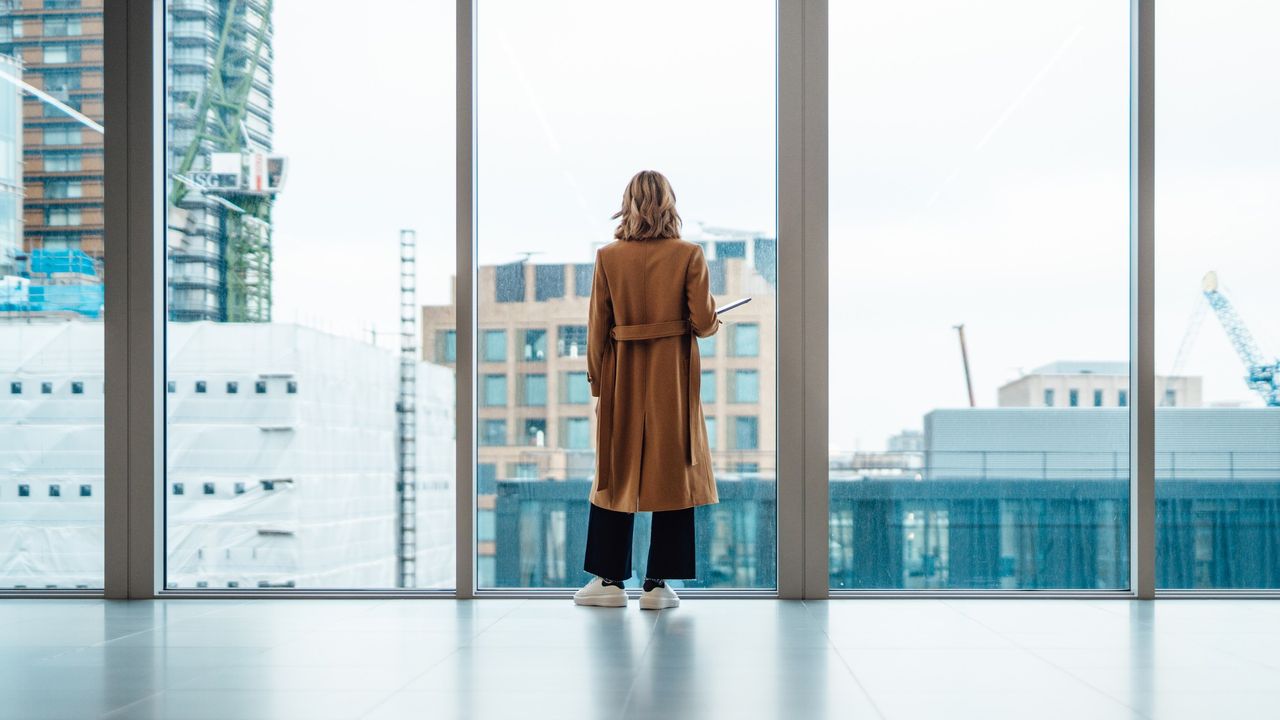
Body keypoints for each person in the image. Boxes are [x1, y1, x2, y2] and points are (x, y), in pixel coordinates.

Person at [573, 170, 721, 610]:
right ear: (670, 204)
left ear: (628, 204)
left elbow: (597, 327)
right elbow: (706, 323)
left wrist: (599, 384)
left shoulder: (608, 257)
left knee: (614, 473)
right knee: (674, 469)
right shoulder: (689, 254)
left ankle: (608, 581)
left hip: (621, 376)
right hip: (670, 379)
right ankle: (657, 585)